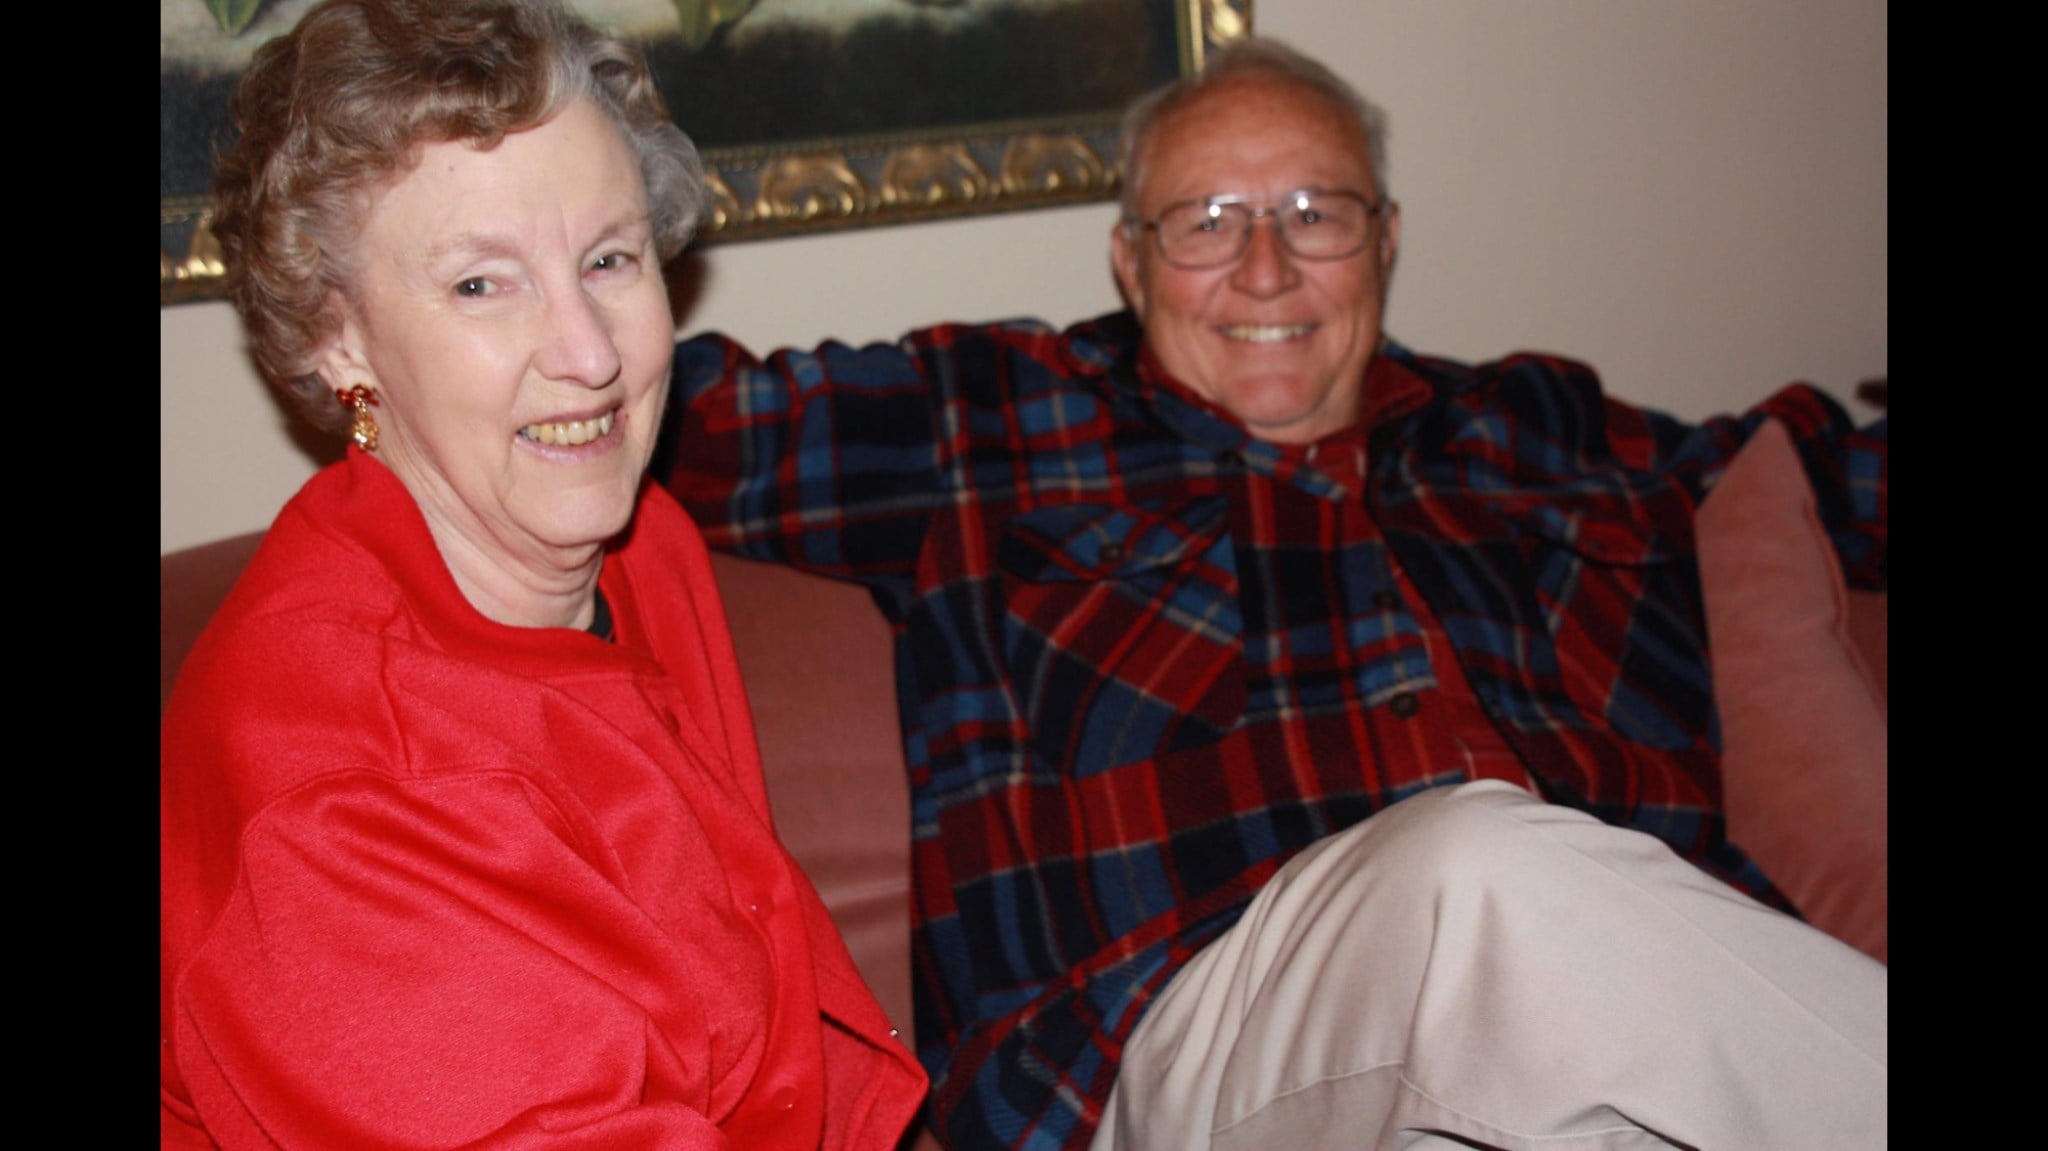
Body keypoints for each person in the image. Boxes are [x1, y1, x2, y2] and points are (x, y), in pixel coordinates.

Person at [660, 36, 1886, 1151]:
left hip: (1612, 1048)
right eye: (1205, 222)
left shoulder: (1532, 423)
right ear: (1129, 259)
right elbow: (644, 396)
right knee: (1473, 871)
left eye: (1314, 214)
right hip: (1177, 1059)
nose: (1263, 270)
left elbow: (1816, 467)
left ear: (1385, 239)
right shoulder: (980, 417)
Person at [157, 1, 927, 1146]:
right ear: (337, 337)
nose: (590, 353)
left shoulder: (636, 548)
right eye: (483, 283)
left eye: (609, 259)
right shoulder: (339, 794)